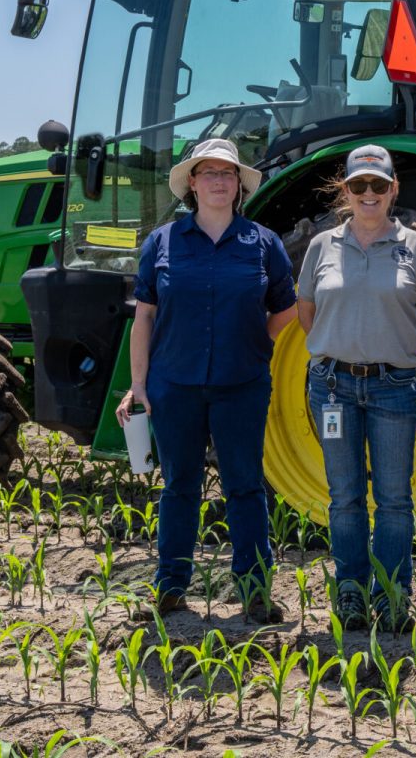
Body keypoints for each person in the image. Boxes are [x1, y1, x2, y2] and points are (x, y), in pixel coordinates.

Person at [119, 137, 297, 624]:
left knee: (245, 485)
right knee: (179, 485)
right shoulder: (163, 242)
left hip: (241, 383)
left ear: (239, 185)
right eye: (209, 173)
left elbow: (286, 308)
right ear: (192, 184)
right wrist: (139, 385)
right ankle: (170, 588)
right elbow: (145, 318)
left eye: (227, 173)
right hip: (174, 384)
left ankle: (256, 592)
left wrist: (259, 344)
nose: (219, 181)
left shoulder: (263, 242)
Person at [296, 145, 416, 632]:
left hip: (393, 388)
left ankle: (392, 594)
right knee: (344, 497)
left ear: (393, 189)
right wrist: (339, 346)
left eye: (378, 185)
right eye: (359, 185)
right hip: (333, 387)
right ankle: (352, 593)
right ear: (345, 190)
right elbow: (306, 312)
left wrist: (397, 354)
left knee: (395, 498)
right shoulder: (321, 246)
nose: (368, 193)